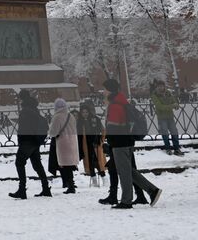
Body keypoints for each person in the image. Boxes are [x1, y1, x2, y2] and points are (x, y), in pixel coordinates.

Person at [103, 77, 161, 209]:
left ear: (110, 90)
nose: (103, 92)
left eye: (104, 89)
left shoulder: (114, 105)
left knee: (124, 173)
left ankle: (126, 201)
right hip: (127, 140)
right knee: (128, 170)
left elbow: (114, 126)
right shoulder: (122, 102)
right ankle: (152, 190)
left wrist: (109, 142)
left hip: (119, 142)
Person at [10, 90, 51, 199]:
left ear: (21, 98)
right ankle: (46, 188)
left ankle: (22, 190)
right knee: (37, 165)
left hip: (27, 141)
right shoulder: (34, 108)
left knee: (19, 163)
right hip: (35, 141)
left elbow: (24, 128)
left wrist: (21, 140)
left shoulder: (25, 111)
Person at [46, 99, 79, 195]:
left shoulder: (57, 117)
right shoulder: (71, 116)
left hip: (63, 143)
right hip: (72, 142)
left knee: (65, 166)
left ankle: (70, 186)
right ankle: (71, 185)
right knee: (69, 165)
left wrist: (50, 132)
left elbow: (53, 132)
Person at [77, 100, 105, 187]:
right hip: (85, 145)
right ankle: (94, 179)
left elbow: (102, 130)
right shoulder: (80, 122)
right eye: (83, 112)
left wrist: (100, 140)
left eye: (86, 112)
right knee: (90, 162)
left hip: (95, 143)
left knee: (97, 161)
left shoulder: (95, 119)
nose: (85, 114)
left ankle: (103, 177)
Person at [150, 81, 180, 154]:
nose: (161, 87)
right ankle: (168, 149)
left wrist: (176, 105)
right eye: (159, 86)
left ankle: (176, 149)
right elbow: (160, 107)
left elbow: (174, 101)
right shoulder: (154, 95)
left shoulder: (168, 93)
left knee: (174, 133)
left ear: (164, 86)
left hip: (170, 116)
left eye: (162, 86)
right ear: (157, 87)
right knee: (165, 134)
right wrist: (172, 106)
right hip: (162, 117)